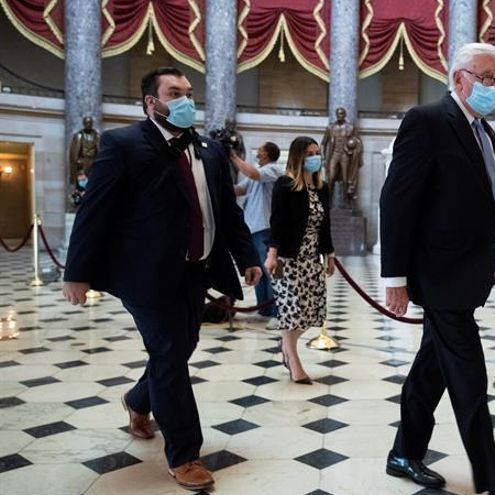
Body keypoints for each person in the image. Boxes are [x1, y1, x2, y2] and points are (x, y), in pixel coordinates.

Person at [62, 67, 261, 491]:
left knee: (181, 347)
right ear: (152, 102)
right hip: (146, 276)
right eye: (176, 93)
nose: (187, 100)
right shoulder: (123, 144)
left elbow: (227, 213)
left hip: (197, 270)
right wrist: (76, 273)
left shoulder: (208, 149)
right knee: (170, 354)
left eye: (189, 92)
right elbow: (93, 212)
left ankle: (137, 401)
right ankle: (185, 454)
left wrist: (247, 256)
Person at [380, 42, 495, 495]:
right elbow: (396, 203)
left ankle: (404, 452)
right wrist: (395, 279)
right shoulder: (427, 122)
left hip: (466, 275)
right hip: (439, 278)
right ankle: (494, 478)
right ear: (460, 78)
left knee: (431, 369)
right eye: (488, 78)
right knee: (469, 379)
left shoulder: (485, 131)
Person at [264, 137, 335, 384]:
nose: (315, 157)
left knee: (310, 311)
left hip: (312, 259)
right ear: (298, 156)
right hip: (289, 258)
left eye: (317, 153)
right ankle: (293, 360)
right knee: (291, 311)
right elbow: (277, 223)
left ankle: (286, 347)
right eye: (309, 153)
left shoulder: (322, 188)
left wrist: (330, 255)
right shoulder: (285, 185)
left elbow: (325, 226)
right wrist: (272, 254)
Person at [231, 142, 284, 324]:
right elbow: (240, 189)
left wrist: (233, 156)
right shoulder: (256, 171)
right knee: (258, 270)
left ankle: (277, 312)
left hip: (266, 227)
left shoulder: (274, 169)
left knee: (270, 270)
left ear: (268, 154)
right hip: (251, 227)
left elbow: (254, 174)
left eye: (260, 149)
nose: (258, 152)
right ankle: (263, 309)